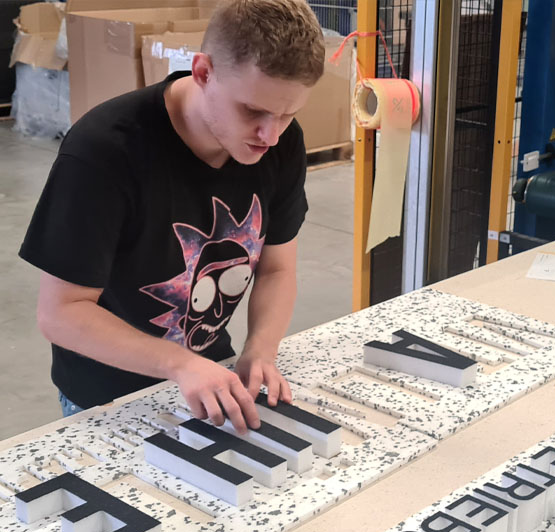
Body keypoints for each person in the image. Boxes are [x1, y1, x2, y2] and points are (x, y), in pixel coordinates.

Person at [18, 0, 325, 434]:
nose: (270, 135)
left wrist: (260, 349)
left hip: (209, 373)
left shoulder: (280, 142)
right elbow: (61, 314)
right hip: (107, 398)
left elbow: (277, 268)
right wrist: (180, 364)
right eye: (252, 111)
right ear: (203, 72)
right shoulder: (105, 151)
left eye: (288, 114)